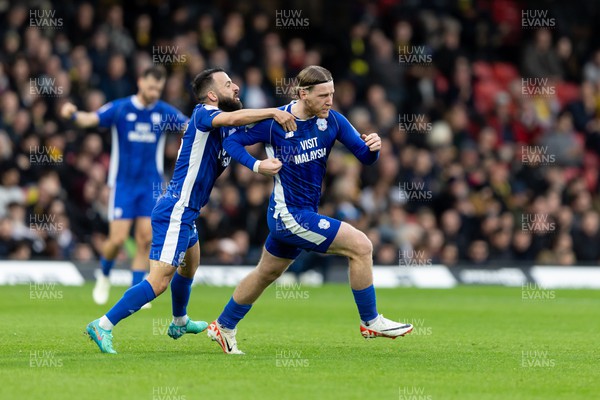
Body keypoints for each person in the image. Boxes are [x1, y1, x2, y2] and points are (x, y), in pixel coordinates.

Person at [84, 68, 296, 354]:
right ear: (212, 95)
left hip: (188, 211)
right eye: (228, 84)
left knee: (190, 265)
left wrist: (259, 164)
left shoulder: (223, 128)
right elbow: (235, 118)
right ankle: (103, 324)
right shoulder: (203, 114)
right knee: (159, 280)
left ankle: (180, 321)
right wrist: (273, 111)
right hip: (176, 208)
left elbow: (236, 142)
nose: (236, 87)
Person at [207, 65, 413, 355]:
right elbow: (231, 141)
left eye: (332, 94)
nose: (330, 100)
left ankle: (223, 325)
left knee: (265, 274)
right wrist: (257, 165)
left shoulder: (333, 121)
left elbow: (365, 157)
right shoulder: (276, 121)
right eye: (324, 95)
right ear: (304, 94)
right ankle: (370, 321)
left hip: (298, 214)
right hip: (289, 215)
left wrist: (375, 147)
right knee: (362, 246)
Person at [61, 66, 188, 307]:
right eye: (151, 87)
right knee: (117, 240)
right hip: (123, 185)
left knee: (144, 240)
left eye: (158, 89)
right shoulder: (121, 108)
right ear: (140, 82)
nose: (154, 93)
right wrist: (73, 114)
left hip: (151, 186)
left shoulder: (163, 112)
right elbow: (92, 119)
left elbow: (189, 125)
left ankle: (136, 290)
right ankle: (105, 274)